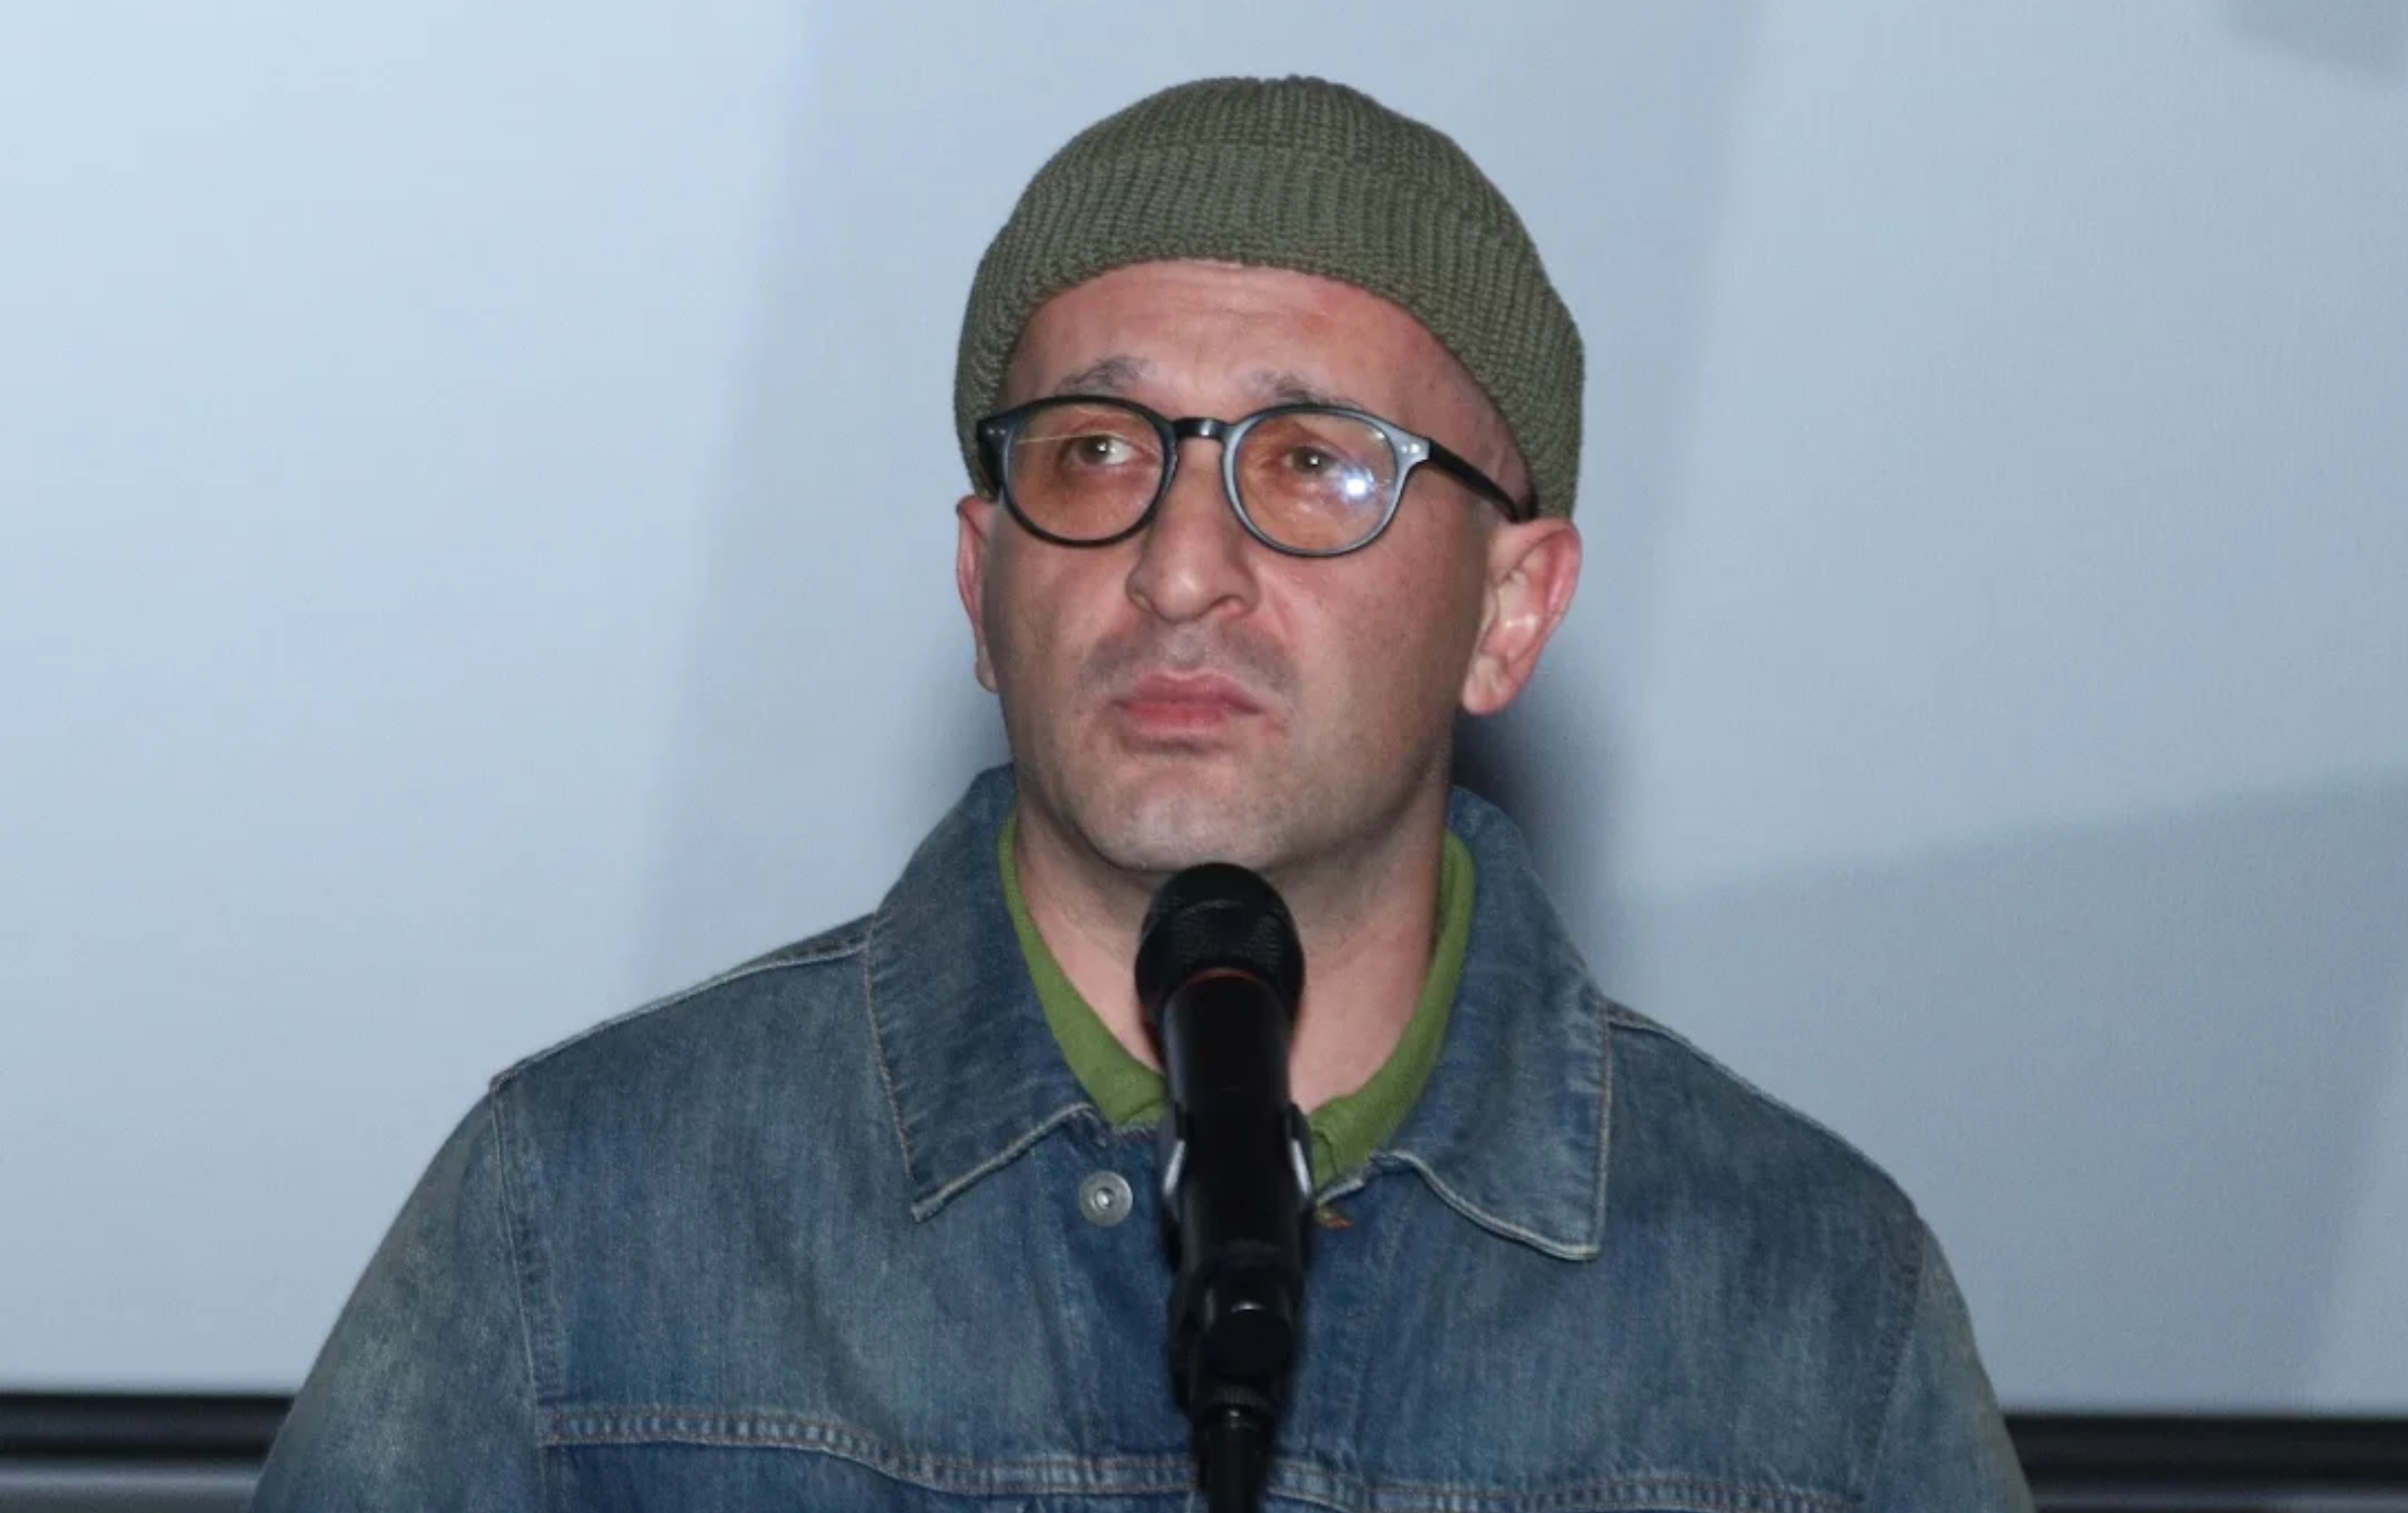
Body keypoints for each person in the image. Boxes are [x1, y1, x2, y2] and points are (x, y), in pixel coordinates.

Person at [252, 76, 2033, 1512]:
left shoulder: (1807, 1297)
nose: (1181, 567)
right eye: (1097, 452)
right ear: (982, 583)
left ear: (1511, 609)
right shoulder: (583, 1219)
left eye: (1314, 461)